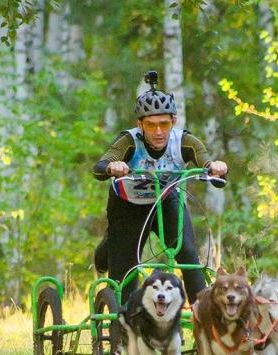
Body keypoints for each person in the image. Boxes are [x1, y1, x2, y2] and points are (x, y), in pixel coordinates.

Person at [92, 71, 228, 304]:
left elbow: (205, 161)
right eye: (151, 125)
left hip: (166, 199)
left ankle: (203, 315)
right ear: (140, 124)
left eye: (164, 124)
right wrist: (112, 167)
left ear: (173, 121)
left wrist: (215, 167)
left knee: (187, 254)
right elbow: (99, 166)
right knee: (126, 267)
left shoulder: (184, 141)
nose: (158, 132)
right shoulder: (129, 141)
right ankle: (123, 321)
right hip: (128, 206)